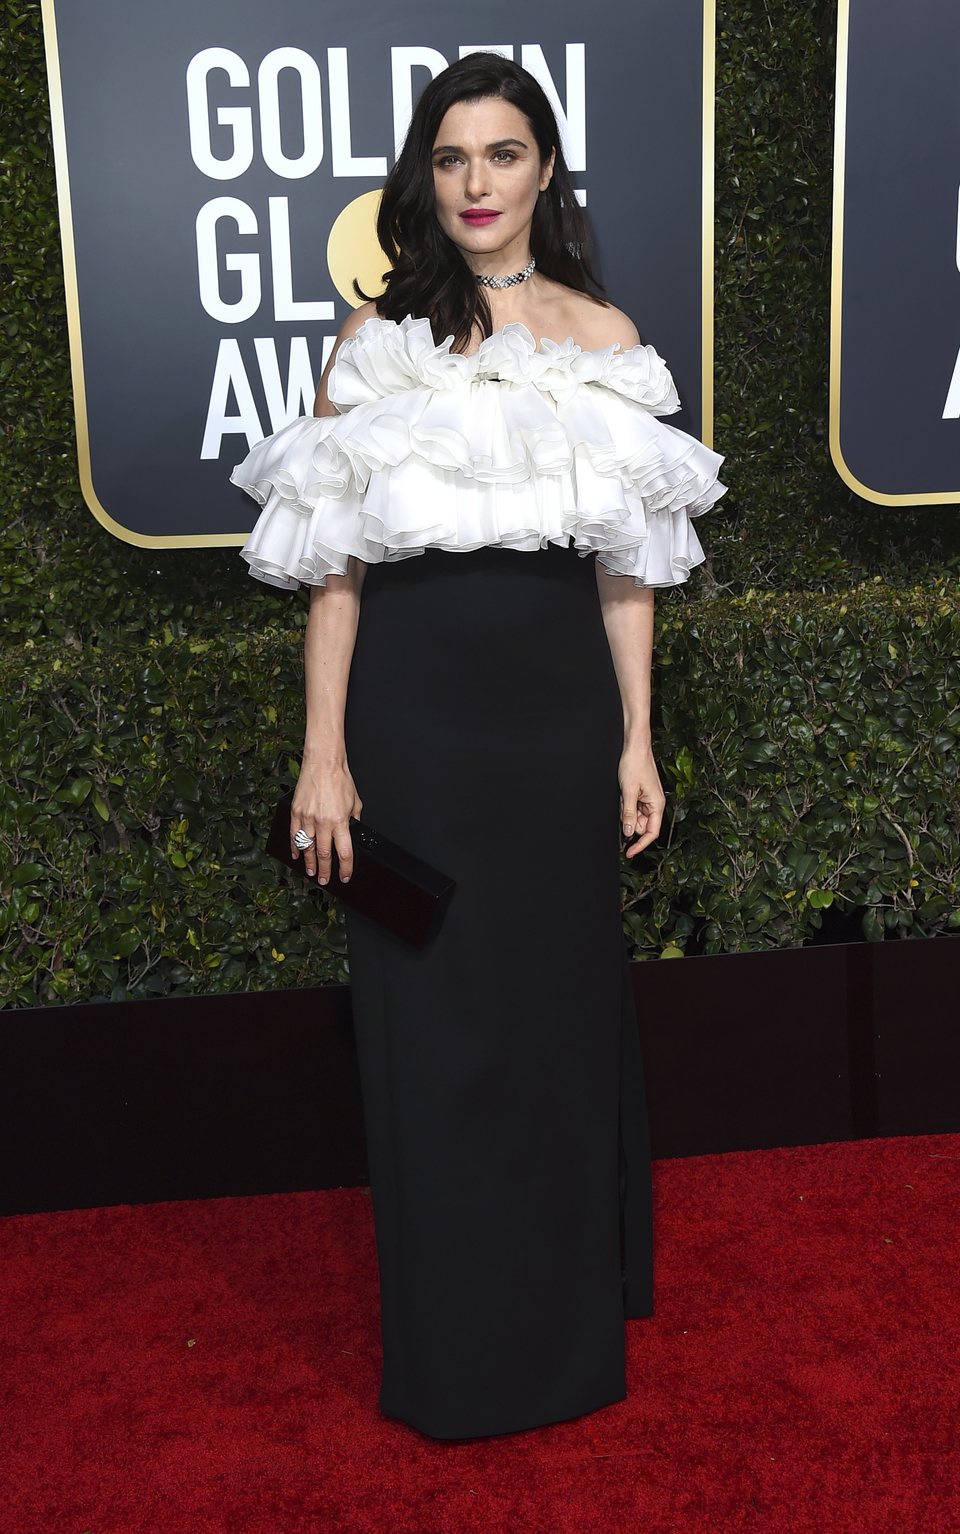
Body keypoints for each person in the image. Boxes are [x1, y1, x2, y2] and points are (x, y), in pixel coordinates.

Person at [230, 51, 727, 1441]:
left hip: (557, 721)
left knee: (556, 1020)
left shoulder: (606, 335)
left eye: (501, 155)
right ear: (423, 179)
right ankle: (456, 1348)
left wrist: (636, 739)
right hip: (419, 721)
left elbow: (627, 571)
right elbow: (336, 571)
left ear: (544, 171)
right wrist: (322, 753)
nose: (475, 185)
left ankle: (567, 1325)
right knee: (434, 1025)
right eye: (450, 160)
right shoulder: (376, 341)